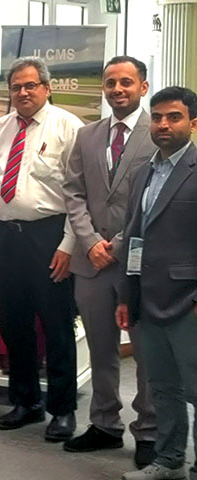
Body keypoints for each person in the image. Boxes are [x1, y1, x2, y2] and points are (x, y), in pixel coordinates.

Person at [0, 56, 84, 441]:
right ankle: (25, 402)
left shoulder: (69, 127)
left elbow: (78, 195)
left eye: (30, 86)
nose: (22, 93)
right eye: (16, 87)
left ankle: (62, 409)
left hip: (49, 237)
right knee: (14, 324)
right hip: (6, 237)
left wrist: (69, 244)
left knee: (56, 326)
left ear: (46, 87)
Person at [61, 55, 157, 467]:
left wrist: (114, 244)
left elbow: (155, 200)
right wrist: (89, 241)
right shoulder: (87, 135)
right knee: (101, 348)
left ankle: (149, 432)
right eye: (111, 83)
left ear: (143, 86)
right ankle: (104, 424)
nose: (118, 89)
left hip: (138, 260)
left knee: (146, 352)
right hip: (91, 261)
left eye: (126, 82)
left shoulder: (159, 134)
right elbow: (72, 191)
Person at [117, 86, 197, 480]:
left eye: (174, 117)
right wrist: (125, 295)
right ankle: (168, 459)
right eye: (158, 117)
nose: (163, 124)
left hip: (190, 302)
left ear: (193, 123)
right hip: (147, 300)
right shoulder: (143, 172)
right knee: (163, 387)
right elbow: (134, 235)